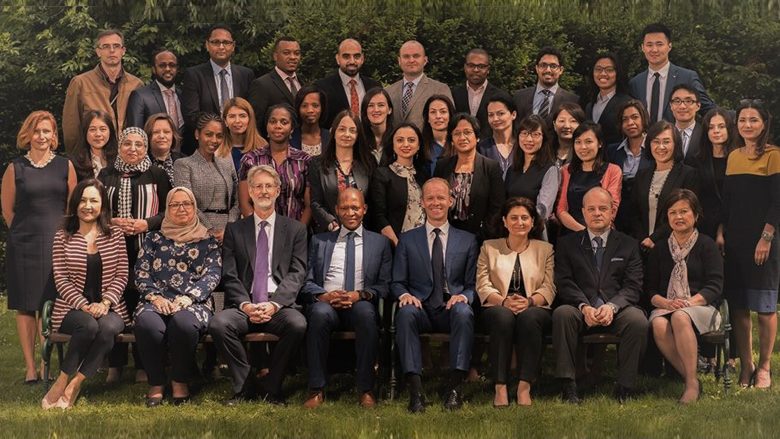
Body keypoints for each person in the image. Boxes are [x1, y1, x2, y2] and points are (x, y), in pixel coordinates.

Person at [209, 165, 308, 406]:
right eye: (258, 186)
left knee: (298, 324)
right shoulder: (235, 230)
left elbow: (297, 272)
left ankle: (272, 387)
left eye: (268, 186)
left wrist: (275, 304)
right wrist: (245, 304)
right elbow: (230, 274)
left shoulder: (295, 229)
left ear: (277, 191)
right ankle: (246, 386)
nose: (263, 191)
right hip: (246, 303)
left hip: (278, 304)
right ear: (250, 193)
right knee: (219, 324)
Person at [299, 188, 392, 408]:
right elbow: (306, 281)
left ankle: (366, 388)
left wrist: (359, 295)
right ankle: (316, 389)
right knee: (319, 315)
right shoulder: (320, 241)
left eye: (355, 207)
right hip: (326, 304)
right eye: (344, 208)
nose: (350, 212)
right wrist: (324, 296)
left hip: (359, 302)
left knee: (366, 314)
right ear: (336, 211)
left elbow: (385, 285)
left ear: (364, 209)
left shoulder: (380, 243)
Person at [392, 178, 479, 413]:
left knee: (464, 311)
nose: (435, 202)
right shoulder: (408, 239)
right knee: (405, 313)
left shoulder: (468, 240)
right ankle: (416, 391)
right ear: (422, 202)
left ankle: (454, 388)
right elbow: (397, 282)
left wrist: (465, 296)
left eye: (441, 197)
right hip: (421, 307)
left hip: (452, 307)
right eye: (429, 198)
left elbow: (472, 285)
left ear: (450, 201)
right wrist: (405, 295)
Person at [2, 111, 77, 384]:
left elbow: (72, 207)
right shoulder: (15, 168)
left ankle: (54, 362)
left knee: (55, 302)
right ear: (27, 135)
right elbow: (8, 210)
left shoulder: (65, 166)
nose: (42, 136)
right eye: (36, 131)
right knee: (26, 307)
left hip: (57, 244)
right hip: (24, 244)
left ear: (54, 135)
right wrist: (24, 233)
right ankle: (31, 367)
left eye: (47, 131)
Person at [553, 187, 646, 404]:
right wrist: (584, 306)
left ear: (612, 211)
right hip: (580, 309)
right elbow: (564, 282)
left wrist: (612, 306)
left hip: (616, 309)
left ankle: (625, 386)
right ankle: (569, 385)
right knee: (562, 314)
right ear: (583, 212)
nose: (597, 213)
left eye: (603, 208)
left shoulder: (628, 244)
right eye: (591, 209)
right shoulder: (567, 244)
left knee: (638, 320)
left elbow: (633, 286)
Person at [42, 179, 128, 409]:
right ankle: (61, 381)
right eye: (82, 200)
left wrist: (106, 302)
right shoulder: (63, 236)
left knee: (108, 328)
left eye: (93, 200)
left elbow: (122, 274)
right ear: (75, 204)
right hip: (72, 309)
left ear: (103, 206)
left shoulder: (115, 234)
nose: (87, 206)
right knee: (89, 325)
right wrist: (83, 305)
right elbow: (60, 278)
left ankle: (75, 384)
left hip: (110, 307)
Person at [133, 187, 221, 407]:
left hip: (193, 303)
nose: (181, 209)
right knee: (147, 324)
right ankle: (156, 382)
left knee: (183, 324)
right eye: (175, 204)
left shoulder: (207, 241)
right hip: (156, 301)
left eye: (187, 204)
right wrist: (155, 298)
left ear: (194, 207)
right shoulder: (154, 238)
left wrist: (188, 298)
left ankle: (180, 380)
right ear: (167, 209)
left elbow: (212, 275)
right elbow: (141, 272)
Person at [98, 126, 171, 381]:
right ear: (119, 147)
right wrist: (113, 221)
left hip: (147, 248)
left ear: (146, 147)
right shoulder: (105, 174)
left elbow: (168, 211)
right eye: (127, 144)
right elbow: (96, 209)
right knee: (117, 303)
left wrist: (146, 223)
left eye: (139, 144)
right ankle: (115, 364)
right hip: (113, 250)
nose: (133, 149)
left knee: (142, 303)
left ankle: (142, 364)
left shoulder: (157, 174)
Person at [717, 100, 779, 389]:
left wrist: (766, 237)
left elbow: (778, 202)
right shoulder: (733, 157)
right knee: (740, 307)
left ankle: (764, 367)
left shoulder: (774, 155)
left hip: (765, 240)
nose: (747, 125)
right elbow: (728, 203)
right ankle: (746, 365)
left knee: (765, 307)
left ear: (764, 124)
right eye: (743, 120)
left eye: (754, 120)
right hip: (737, 240)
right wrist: (721, 231)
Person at [476, 197, 555, 407]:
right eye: (513, 218)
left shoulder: (545, 249)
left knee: (530, 318)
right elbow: (483, 285)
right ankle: (500, 386)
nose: (519, 222)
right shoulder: (489, 247)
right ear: (504, 221)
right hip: (498, 305)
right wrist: (504, 302)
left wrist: (529, 301)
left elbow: (549, 287)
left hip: (533, 306)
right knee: (503, 318)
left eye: (524, 218)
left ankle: (524, 385)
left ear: (532, 222)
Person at [647, 189, 723, 403]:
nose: (678, 217)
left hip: (703, 307)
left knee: (680, 316)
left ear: (696, 215)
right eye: (672, 213)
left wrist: (687, 304)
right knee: (659, 324)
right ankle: (692, 378)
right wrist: (666, 302)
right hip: (668, 305)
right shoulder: (660, 249)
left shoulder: (707, 245)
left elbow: (715, 286)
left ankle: (690, 384)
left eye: (684, 211)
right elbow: (650, 290)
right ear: (667, 218)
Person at [62, 29, 143, 154]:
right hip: (93, 158)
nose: (111, 50)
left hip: (128, 157)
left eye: (116, 46)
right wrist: (77, 159)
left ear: (123, 50)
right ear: (98, 52)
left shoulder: (136, 84)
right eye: (105, 46)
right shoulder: (80, 83)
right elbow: (71, 128)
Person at [182, 25, 255, 154]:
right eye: (216, 42)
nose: (221, 47)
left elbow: (252, 112)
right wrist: (217, 131)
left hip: (241, 144)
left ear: (233, 46)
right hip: (207, 147)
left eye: (226, 42)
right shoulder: (194, 75)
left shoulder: (246, 75)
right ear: (207, 45)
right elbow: (191, 115)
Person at [629, 120, 699, 253]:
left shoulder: (688, 174)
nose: (661, 147)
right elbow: (633, 213)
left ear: (676, 145)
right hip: (642, 247)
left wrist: (654, 239)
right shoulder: (642, 175)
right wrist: (644, 239)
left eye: (666, 142)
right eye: (656, 141)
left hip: (675, 247)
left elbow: (687, 213)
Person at [434, 113, 505, 242]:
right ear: (451, 140)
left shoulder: (491, 167)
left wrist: (483, 235)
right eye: (457, 133)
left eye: (467, 132)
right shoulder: (442, 166)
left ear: (477, 137)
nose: (462, 137)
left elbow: (497, 207)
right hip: (446, 237)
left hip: (480, 237)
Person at [238, 104, 312, 224]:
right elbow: (244, 203)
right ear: (267, 127)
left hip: (295, 232)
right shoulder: (250, 160)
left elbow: (309, 206)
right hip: (260, 232)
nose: (278, 126)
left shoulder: (304, 161)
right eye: (273, 121)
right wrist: (261, 229)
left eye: (284, 122)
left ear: (292, 128)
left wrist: (298, 232)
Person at [629, 23, 715, 124]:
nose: (654, 49)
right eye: (649, 45)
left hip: (678, 139)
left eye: (659, 44)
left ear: (669, 46)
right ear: (643, 48)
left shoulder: (687, 77)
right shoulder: (635, 83)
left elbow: (709, 109)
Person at [174, 113, 239, 243]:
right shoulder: (184, 165)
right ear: (197, 134)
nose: (214, 140)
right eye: (208, 134)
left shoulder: (226, 164)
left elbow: (237, 202)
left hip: (228, 232)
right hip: (197, 231)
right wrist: (208, 230)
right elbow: (187, 204)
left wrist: (229, 227)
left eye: (219, 136)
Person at [309, 110, 374, 233]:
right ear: (333, 132)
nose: (347, 134)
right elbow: (315, 202)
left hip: (362, 233)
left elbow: (372, 201)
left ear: (358, 135)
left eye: (352, 130)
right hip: (330, 232)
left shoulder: (368, 163)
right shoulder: (318, 164)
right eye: (342, 129)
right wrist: (332, 225)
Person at [557, 122, 622, 233]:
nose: (583, 147)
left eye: (588, 142)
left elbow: (612, 207)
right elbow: (561, 209)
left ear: (600, 143)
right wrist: (583, 231)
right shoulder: (566, 170)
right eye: (578, 142)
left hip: (602, 232)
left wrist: (592, 233)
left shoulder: (613, 170)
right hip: (570, 232)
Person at [370, 123, 430, 245]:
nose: (406, 144)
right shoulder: (382, 175)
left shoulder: (424, 175)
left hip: (424, 244)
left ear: (418, 146)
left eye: (411, 140)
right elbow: (379, 217)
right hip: (395, 245)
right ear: (393, 145)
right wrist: (398, 245)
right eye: (400, 140)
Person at [504, 116, 559, 233]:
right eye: (524, 133)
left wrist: (521, 222)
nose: (529, 139)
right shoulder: (511, 169)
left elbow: (543, 209)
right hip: (509, 231)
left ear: (544, 138)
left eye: (535, 134)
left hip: (534, 232)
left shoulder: (550, 170)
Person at [606, 100, 653, 232]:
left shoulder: (654, 148)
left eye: (634, 117)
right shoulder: (612, 151)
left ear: (643, 119)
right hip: (618, 216)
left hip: (645, 216)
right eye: (625, 119)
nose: (630, 123)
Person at [385, 40, 453, 130]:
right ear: (399, 61)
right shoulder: (388, 91)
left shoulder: (440, 89)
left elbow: (450, 123)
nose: (411, 60)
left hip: (428, 143)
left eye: (416, 56)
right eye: (406, 56)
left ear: (425, 60)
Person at [315, 39, 381, 129]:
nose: (352, 61)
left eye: (356, 56)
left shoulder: (374, 87)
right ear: (338, 59)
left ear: (362, 58)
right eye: (346, 56)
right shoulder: (322, 88)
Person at [693, 108, 737, 239]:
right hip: (704, 225)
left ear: (729, 129)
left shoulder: (739, 159)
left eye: (721, 126)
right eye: (711, 127)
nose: (716, 131)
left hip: (734, 224)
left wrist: (722, 227)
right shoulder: (697, 161)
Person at [249, 36, 304, 137]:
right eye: (286, 53)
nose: (293, 57)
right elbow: (255, 124)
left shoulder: (302, 83)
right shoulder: (262, 84)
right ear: (275, 56)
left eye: (297, 53)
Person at [451, 48, 512, 139]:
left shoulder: (500, 97)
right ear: (465, 67)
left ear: (488, 69)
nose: (476, 70)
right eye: (471, 65)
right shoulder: (453, 95)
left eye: (481, 66)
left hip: (491, 149)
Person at [126, 49, 184, 137]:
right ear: (153, 69)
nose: (167, 69)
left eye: (172, 65)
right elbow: (135, 133)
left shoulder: (184, 96)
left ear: (177, 69)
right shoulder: (140, 96)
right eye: (162, 65)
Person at [512, 47, 579, 123]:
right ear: (537, 68)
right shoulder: (519, 97)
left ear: (561, 70)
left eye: (553, 66)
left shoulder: (572, 100)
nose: (548, 70)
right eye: (543, 65)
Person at [585, 52, 632, 146]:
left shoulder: (627, 103)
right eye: (598, 69)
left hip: (616, 158)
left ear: (617, 73)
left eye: (609, 70)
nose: (603, 73)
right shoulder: (589, 106)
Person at [217, 97, 268, 172]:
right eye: (232, 116)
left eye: (242, 116)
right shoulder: (217, 149)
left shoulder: (263, 147)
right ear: (225, 121)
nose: (237, 121)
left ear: (250, 119)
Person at [70, 110, 119, 182]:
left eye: (103, 129)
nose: (98, 134)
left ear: (110, 132)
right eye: (92, 129)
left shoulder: (120, 159)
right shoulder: (75, 163)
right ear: (85, 132)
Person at [476, 95, 518, 179]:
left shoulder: (523, 145)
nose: (495, 119)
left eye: (501, 113)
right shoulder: (482, 148)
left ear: (513, 114)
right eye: (490, 115)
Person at [144, 113, 183, 186]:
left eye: (166, 132)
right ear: (148, 136)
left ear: (173, 135)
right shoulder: (142, 165)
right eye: (156, 132)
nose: (162, 136)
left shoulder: (184, 162)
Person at [290, 86, 330, 156]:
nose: (310, 110)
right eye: (304, 106)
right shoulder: (290, 138)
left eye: (315, 105)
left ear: (322, 108)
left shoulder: (330, 138)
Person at [669, 84, 705, 162]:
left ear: (698, 106)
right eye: (677, 101)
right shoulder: (663, 134)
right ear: (671, 106)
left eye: (688, 101)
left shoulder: (706, 136)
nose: (682, 106)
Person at [421, 95, 455, 174]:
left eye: (443, 112)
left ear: (450, 115)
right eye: (433, 112)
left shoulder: (460, 143)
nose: (438, 116)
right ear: (428, 118)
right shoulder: (421, 146)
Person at [361, 88, 394, 164]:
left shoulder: (397, 138)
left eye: (381, 105)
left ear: (389, 110)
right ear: (365, 110)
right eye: (371, 105)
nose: (376, 110)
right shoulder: (359, 138)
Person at [551, 102, 586, 168]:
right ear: (554, 125)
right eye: (562, 121)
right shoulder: (545, 151)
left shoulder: (585, 153)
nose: (567, 126)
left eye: (573, 121)